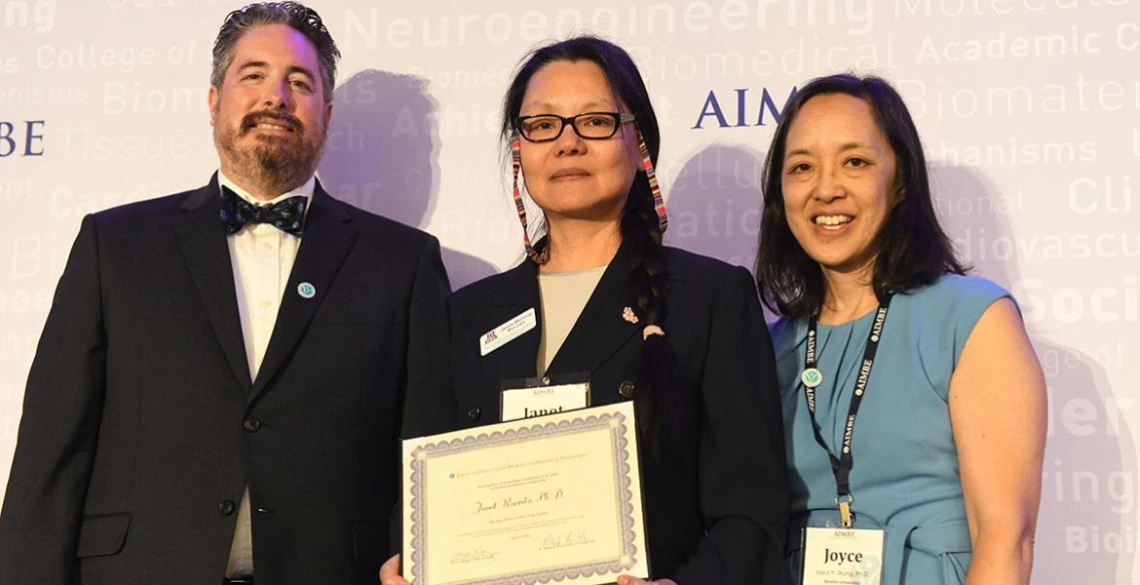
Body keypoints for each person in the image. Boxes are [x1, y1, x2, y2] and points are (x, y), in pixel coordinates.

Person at [0, 3, 452, 584]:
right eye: (254, 75)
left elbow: (426, 453)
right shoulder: (115, 245)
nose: (276, 97)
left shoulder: (402, 263)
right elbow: (51, 450)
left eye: (299, 82)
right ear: (215, 101)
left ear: (327, 113)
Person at [380, 36, 789, 585]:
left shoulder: (709, 298)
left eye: (594, 121)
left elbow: (751, 506)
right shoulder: (464, 315)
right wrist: (406, 561)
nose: (567, 143)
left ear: (638, 141)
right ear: (518, 149)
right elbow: (415, 494)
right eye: (543, 124)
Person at [756, 73, 1046, 585]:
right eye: (801, 167)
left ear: (902, 182)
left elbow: (1006, 537)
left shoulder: (971, 319)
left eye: (855, 162)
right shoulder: (771, 347)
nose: (825, 189)